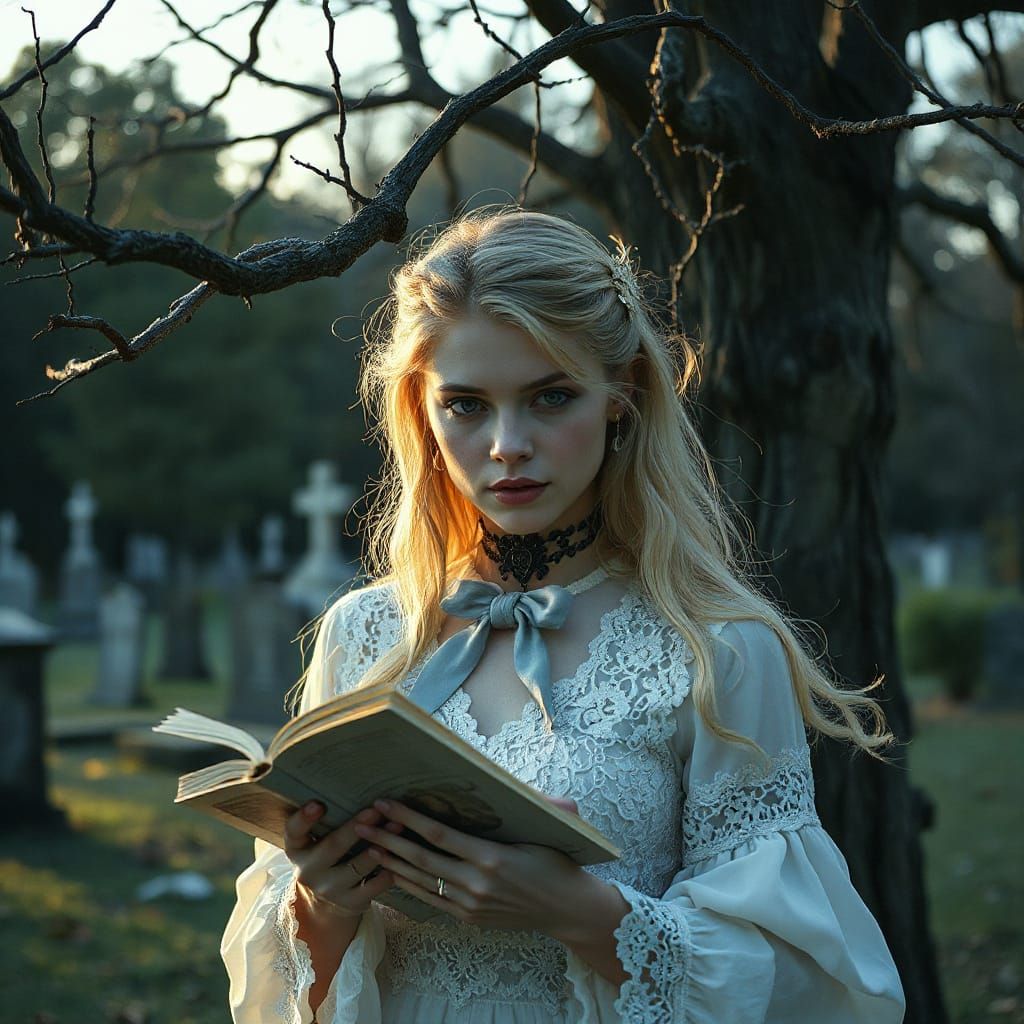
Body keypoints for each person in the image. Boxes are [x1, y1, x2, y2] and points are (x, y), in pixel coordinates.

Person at [221, 208, 906, 1023]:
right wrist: (325, 900)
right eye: (467, 406)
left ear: (622, 398)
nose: (508, 444)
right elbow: (279, 987)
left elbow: (793, 979)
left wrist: (574, 910)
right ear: (421, 411)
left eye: (551, 398)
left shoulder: (718, 649)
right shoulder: (367, 632)